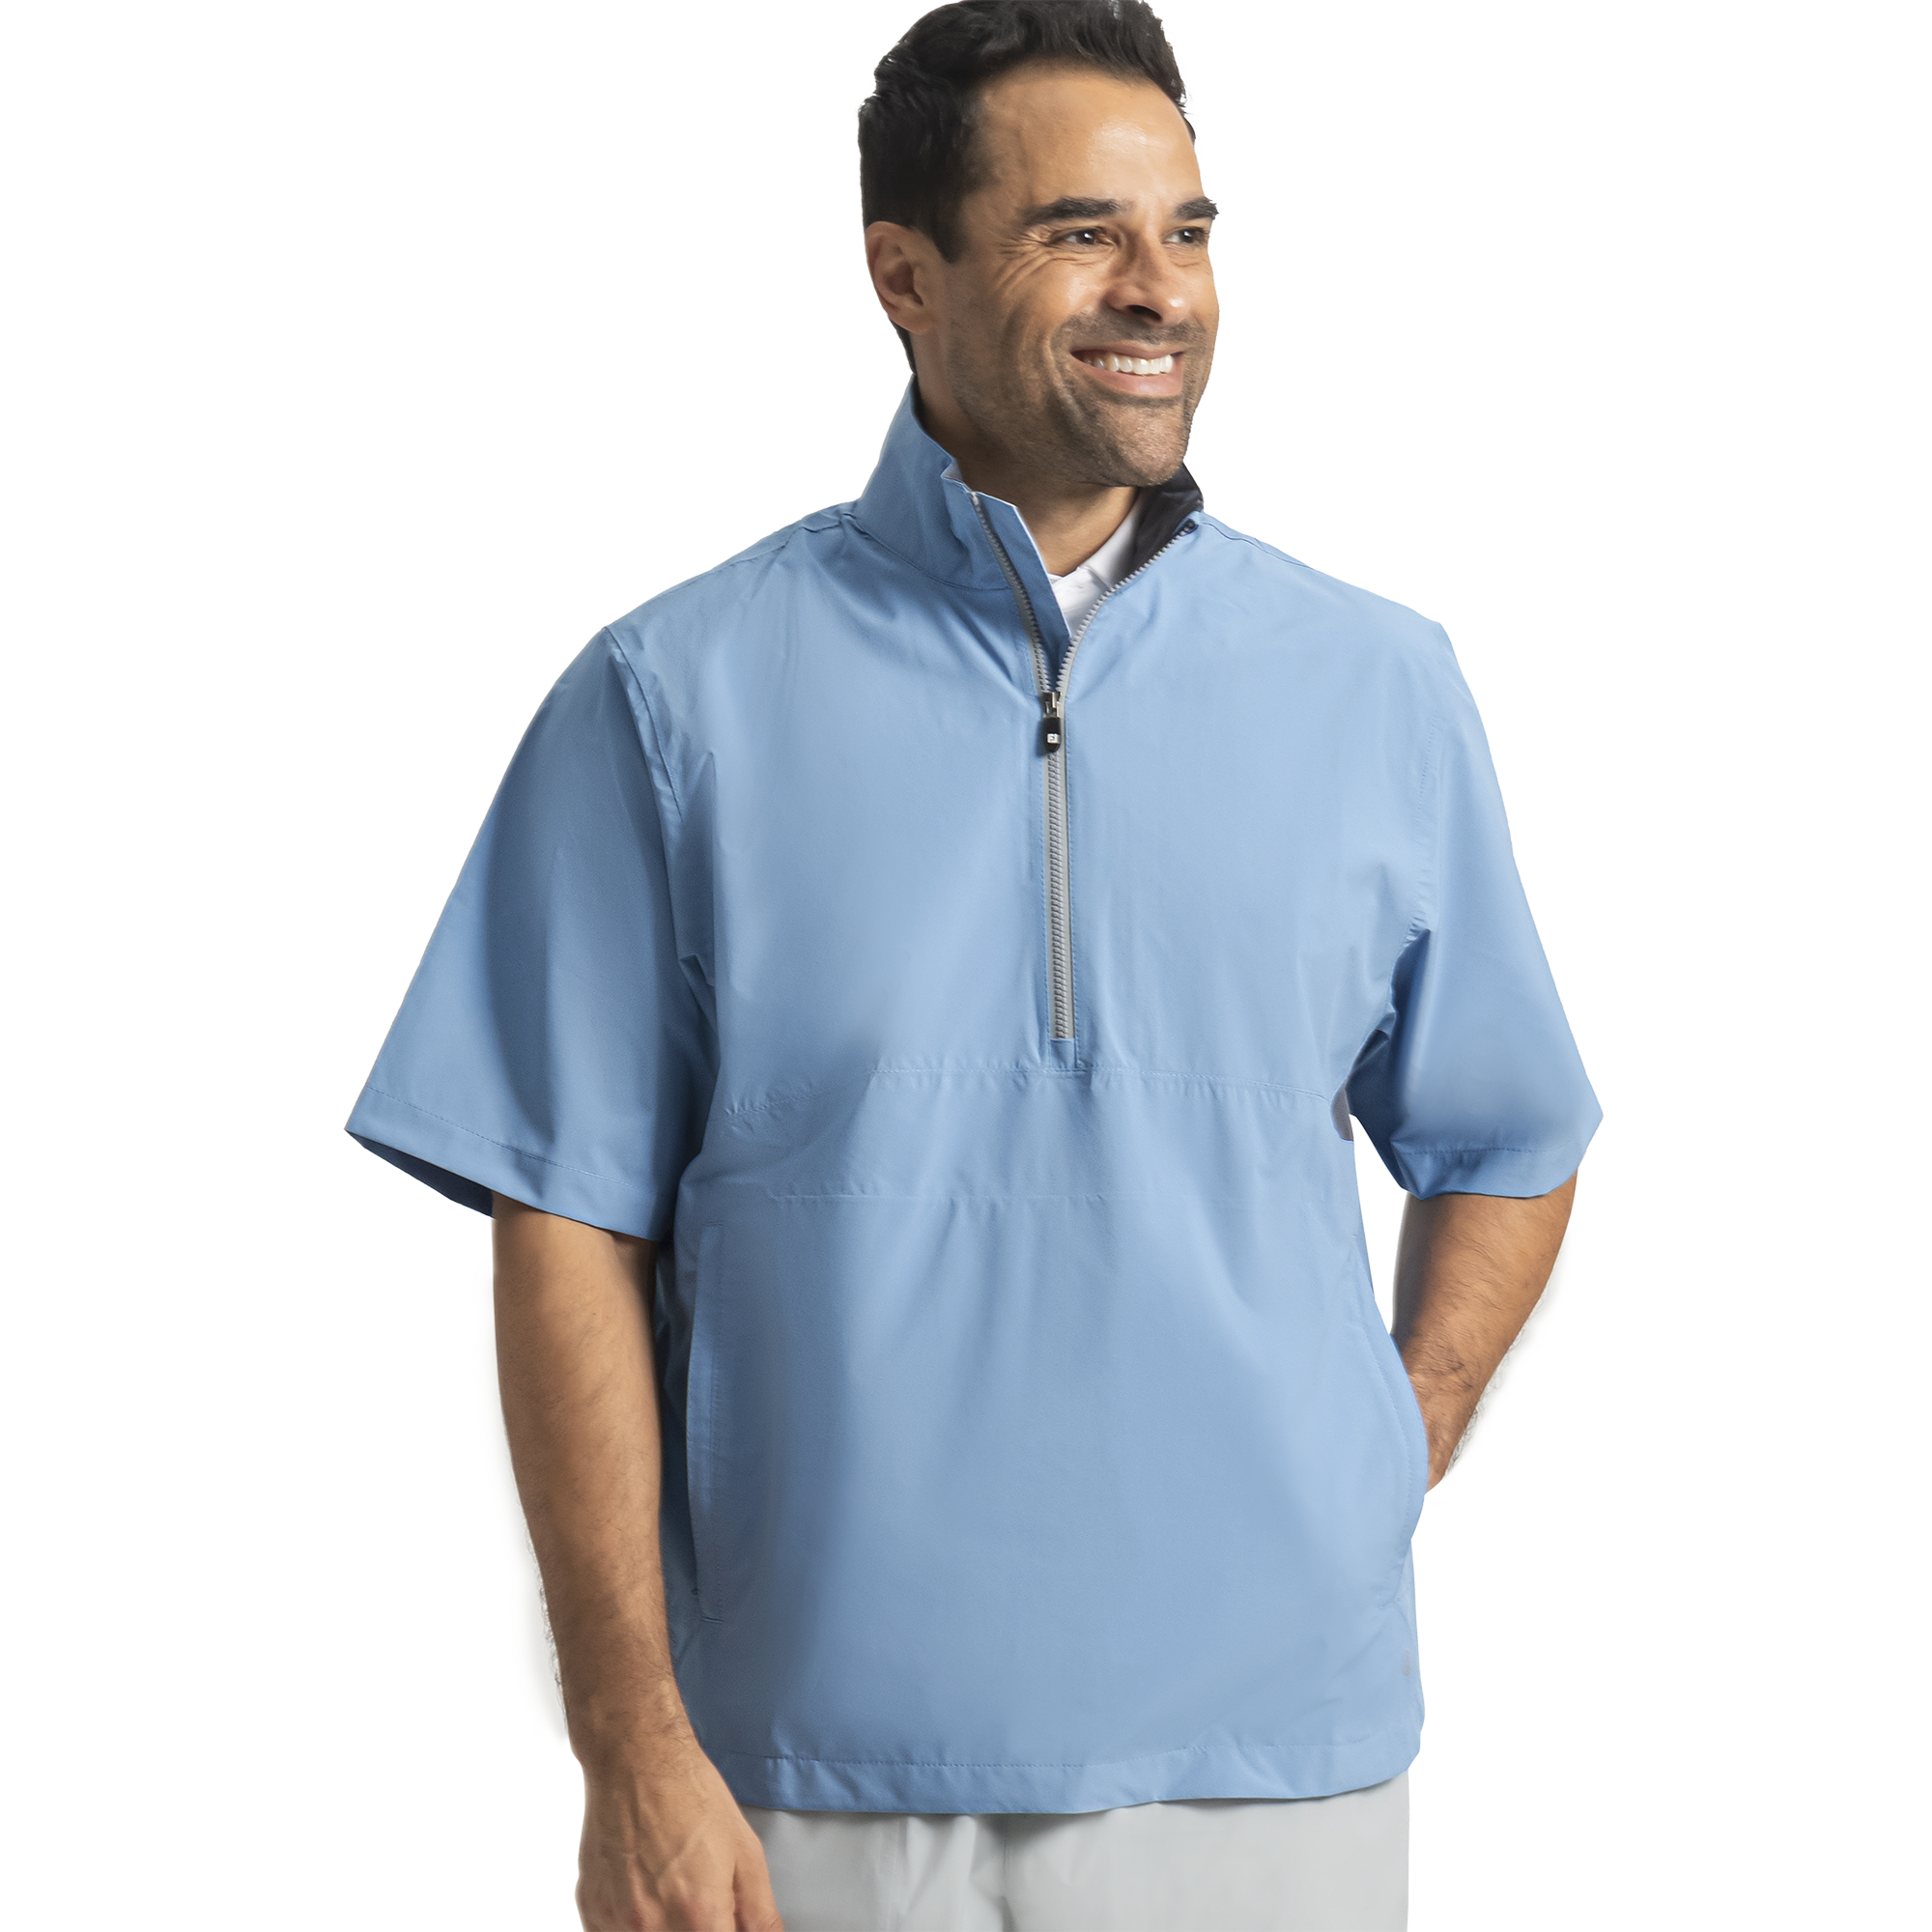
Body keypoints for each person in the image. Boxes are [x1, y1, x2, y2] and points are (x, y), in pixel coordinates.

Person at [347, 1, 1602, 1925]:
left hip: (1275, 1761)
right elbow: (563, 1225)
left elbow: (1509, 1132)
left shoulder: (1378, 688)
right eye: (1081, 232)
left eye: (1187, 231)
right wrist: (631, 1746)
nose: (1157, 287)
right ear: (903, 277)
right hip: (800, 1775)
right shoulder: (671, 699)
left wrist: (1384, 1442)